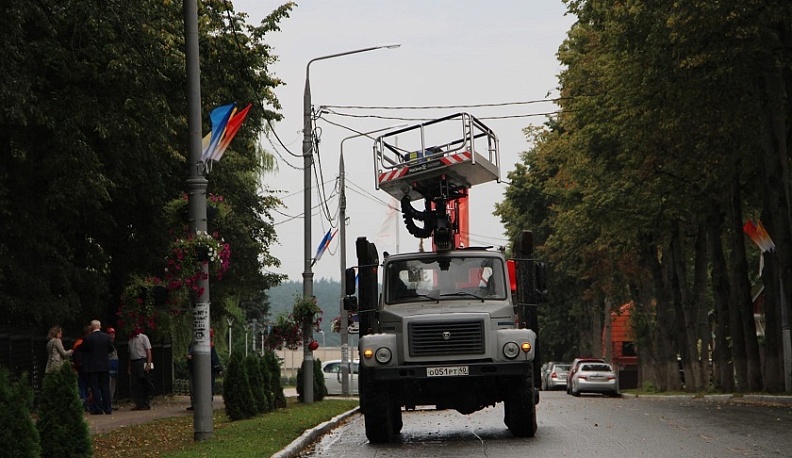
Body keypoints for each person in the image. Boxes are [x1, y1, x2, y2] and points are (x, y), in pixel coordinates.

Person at [77, 320, 114, 415]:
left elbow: (81, 349)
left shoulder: (88, 338)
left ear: (92, 327)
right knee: (105, 387)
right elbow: (111, 349)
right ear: (99, 326)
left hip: (93, 366)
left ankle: (98, 408)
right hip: (104, 366)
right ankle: (108, 408)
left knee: (95, 388)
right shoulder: (106, 337)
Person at [186, 328, 224, 411]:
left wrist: (218, 369)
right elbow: (213, 359)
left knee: (203, 387)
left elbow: (213, 359)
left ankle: (204, 404)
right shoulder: (196, 345)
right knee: (197, 387)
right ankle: (197, 404)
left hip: (204, 370)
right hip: (198, 369)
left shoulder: (208, 346)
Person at [128, 327, 153, 411]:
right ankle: (138, 403)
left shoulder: (143, 337)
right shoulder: (130, 340)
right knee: (135, 384)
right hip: (134, 361)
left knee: (143, 382)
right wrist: (129, 365)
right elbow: (130, 354)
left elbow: (148, 351)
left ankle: (145, 403)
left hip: (141, 360)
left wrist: (148, 363)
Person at [72, 324, 93, 411]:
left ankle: (84, 404)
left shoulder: (78, 342)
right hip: (87, 368)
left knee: (82, 387)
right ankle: (87, 404)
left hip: (81, 368)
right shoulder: (86, 342)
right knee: (87, 387)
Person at [106, 327, 119, 409]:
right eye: (110, 334)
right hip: (109, 366)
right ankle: (108, 403)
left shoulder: (114, 344)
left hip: (114, 367)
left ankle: (110, 402)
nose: (112, 336)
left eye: (113, 334)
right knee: (109, 386)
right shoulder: (107, 345)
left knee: (113, 386)